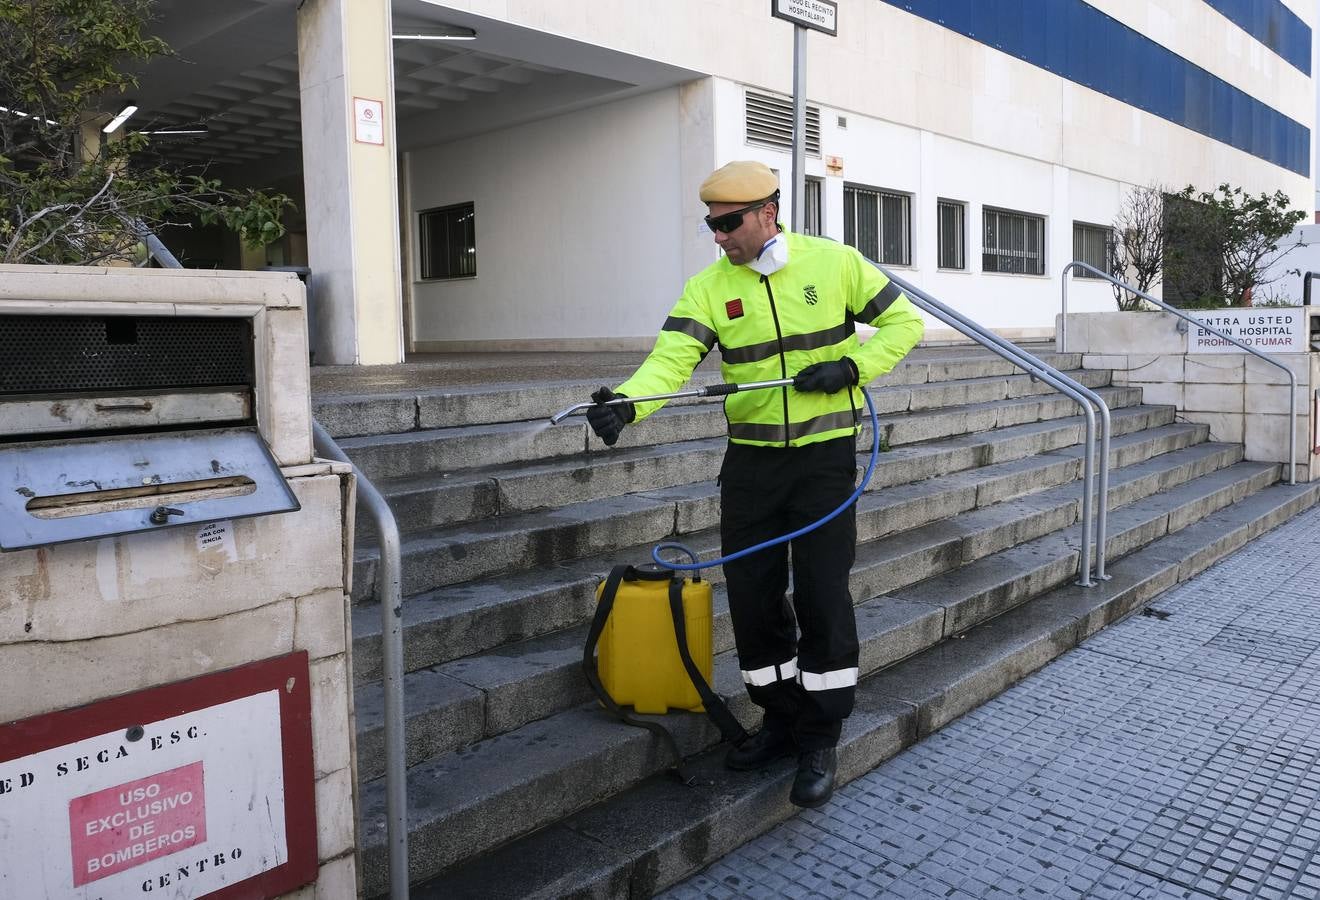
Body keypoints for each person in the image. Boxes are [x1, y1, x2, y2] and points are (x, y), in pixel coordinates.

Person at [586, 161, 924, 808]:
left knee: (824, 598)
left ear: (768, 212)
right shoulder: (709, 289)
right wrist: (628, 404)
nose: (718, 236)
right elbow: (670, 362)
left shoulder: (836, 263)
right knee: (754, 600)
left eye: (727, 223)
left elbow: (906, 325)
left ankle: (820, 738)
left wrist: (850, 367)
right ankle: (779, 719)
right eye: (711, 225)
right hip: (751, 469)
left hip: (824, 465)